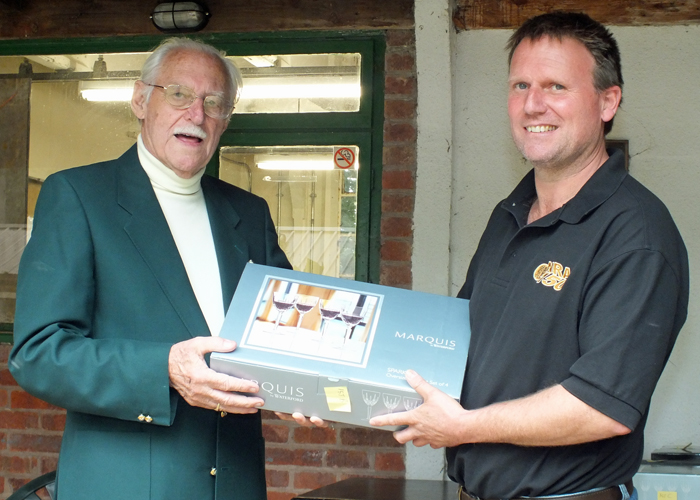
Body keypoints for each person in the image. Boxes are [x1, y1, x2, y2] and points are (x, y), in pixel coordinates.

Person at [371, 12, 689, 500]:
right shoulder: (509, 215)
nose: (532, 104)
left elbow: (600, 407)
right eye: (520, 85)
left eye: (556, 86)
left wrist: (462, 428)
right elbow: (455, 347)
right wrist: (330, 378)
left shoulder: (635, 233)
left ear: (608, 102)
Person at [9, 38, 315, 500]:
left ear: (226, 120)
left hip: (235, 484)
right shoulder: (78, 196)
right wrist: (163, 369)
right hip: (125, 485)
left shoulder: (249, 213)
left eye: (215, 103)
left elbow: (286, 329)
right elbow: (37, 353)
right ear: (139, 99)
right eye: (179, 94)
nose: (197, 114)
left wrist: (311, 380)